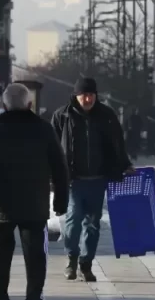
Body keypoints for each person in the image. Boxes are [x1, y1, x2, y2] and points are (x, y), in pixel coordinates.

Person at [0, 83, 70, 300]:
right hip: (35, 204)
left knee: (0, 254)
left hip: (2, 204)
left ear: (3, 106)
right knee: (36, 255)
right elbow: (60, 168)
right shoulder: (44, 129)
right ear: (30, 104)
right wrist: (61, 202)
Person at [52, 77, 134, 283]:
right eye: (84, 95)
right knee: (72, 221)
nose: (88, 99)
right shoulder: (62, 115)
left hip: (98, 179)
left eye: (91, 95)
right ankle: (71, 259)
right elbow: (51, 146)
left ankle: (86, 264)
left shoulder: (106, 116)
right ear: (76, 95)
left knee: (92, 224)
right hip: (74, 179)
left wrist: (125, 165)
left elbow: (118, 143)